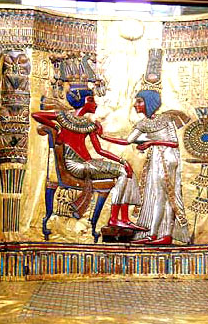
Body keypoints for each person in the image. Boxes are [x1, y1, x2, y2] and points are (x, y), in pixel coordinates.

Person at [31, 86, 146, 231]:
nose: (95, 104)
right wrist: (56, 126)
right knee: (124, 172)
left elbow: (100, 150)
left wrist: (122, 161)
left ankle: (122, 218)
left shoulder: (87, 124)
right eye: (91, 100)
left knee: (126, 170)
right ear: (83, 100)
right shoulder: (63, 116)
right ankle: (117, 218)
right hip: (76, 166)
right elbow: (36, 115)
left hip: (85, 164)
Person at [101, 90, 190, 245]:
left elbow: (174, 143)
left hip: (168, 158)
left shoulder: (166, 119)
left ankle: (162, 235)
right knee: (157, 196)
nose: (135, 105)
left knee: (166, 196)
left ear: (149, 103)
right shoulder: (143, 124)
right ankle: (156, 235)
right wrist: (102, 136)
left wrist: (152, 142)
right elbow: (127, 141)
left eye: (139, 101)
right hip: (156, 158)